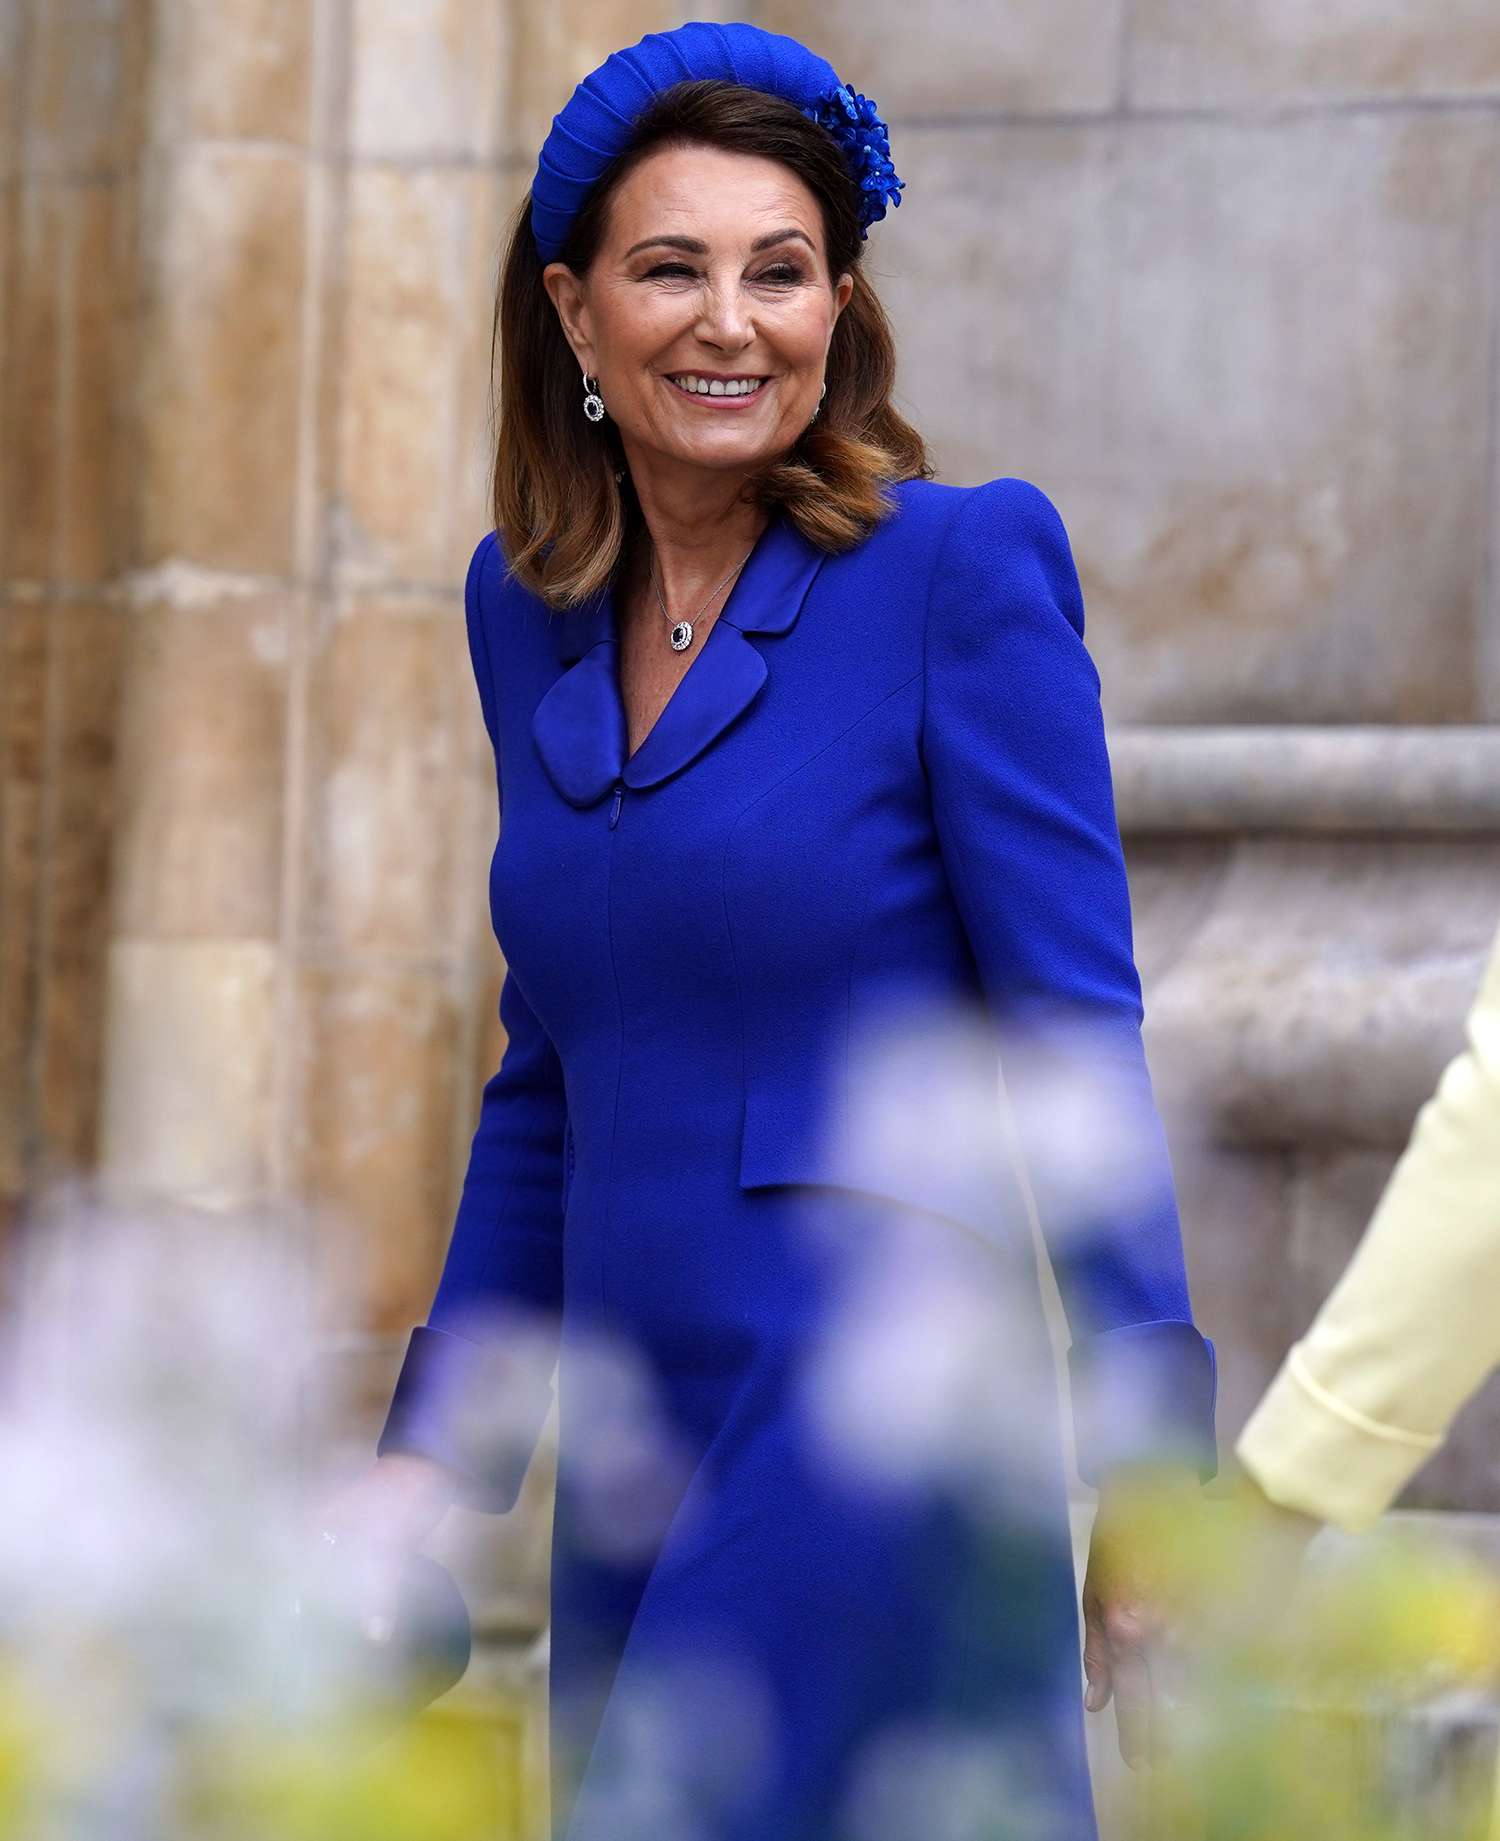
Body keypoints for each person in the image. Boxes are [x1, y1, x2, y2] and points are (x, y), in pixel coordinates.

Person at [322, 22, 1217, 1841]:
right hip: (635, 1445)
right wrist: (425, 1471)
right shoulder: (526, 611)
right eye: (673, 269)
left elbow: (1073, 1047)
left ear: (839, 305)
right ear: (574, 317)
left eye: (781, 270)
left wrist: (1150, 1475)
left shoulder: (959, 572)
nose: (731, 319)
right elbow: (549, 1078)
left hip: (870, 1420)